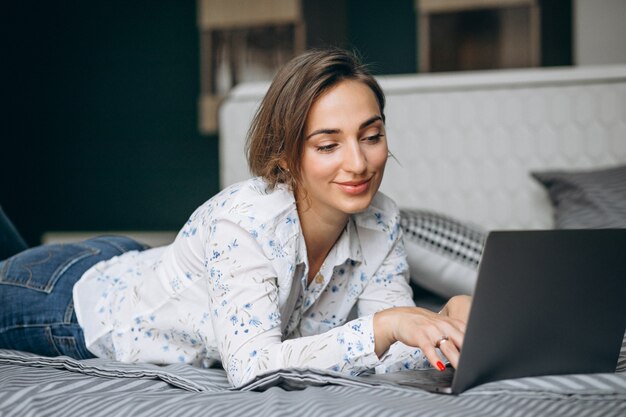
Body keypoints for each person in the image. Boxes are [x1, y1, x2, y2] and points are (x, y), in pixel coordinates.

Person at [0, 48, 470, 388]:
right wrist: (386, 325)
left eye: (371, 136)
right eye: (328, 145)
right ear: (285, 157)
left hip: (139, 261)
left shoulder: (381, 219)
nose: (359, 163)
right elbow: (252, 367)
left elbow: (391, 351)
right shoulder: (245, 222)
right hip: (69, 301)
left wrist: (445, 321)